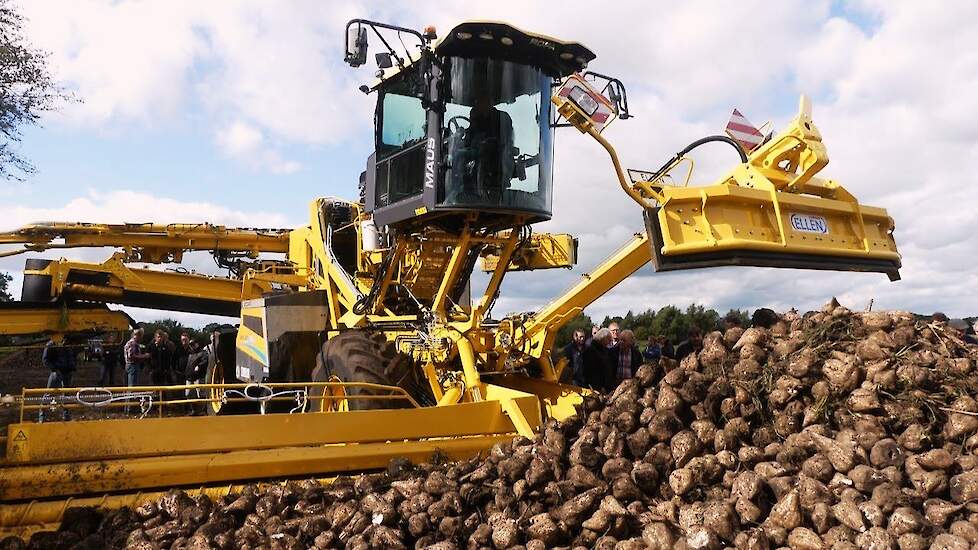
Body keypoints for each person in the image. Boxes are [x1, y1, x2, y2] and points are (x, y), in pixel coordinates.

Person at [583, 328, 615, 392]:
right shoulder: (590, 350)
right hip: (598, 388)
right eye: (609, 340)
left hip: (606, 386)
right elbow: (591, 372)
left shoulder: (603, 349)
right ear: (603, 338)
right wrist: (599, 387)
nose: (609, 342)